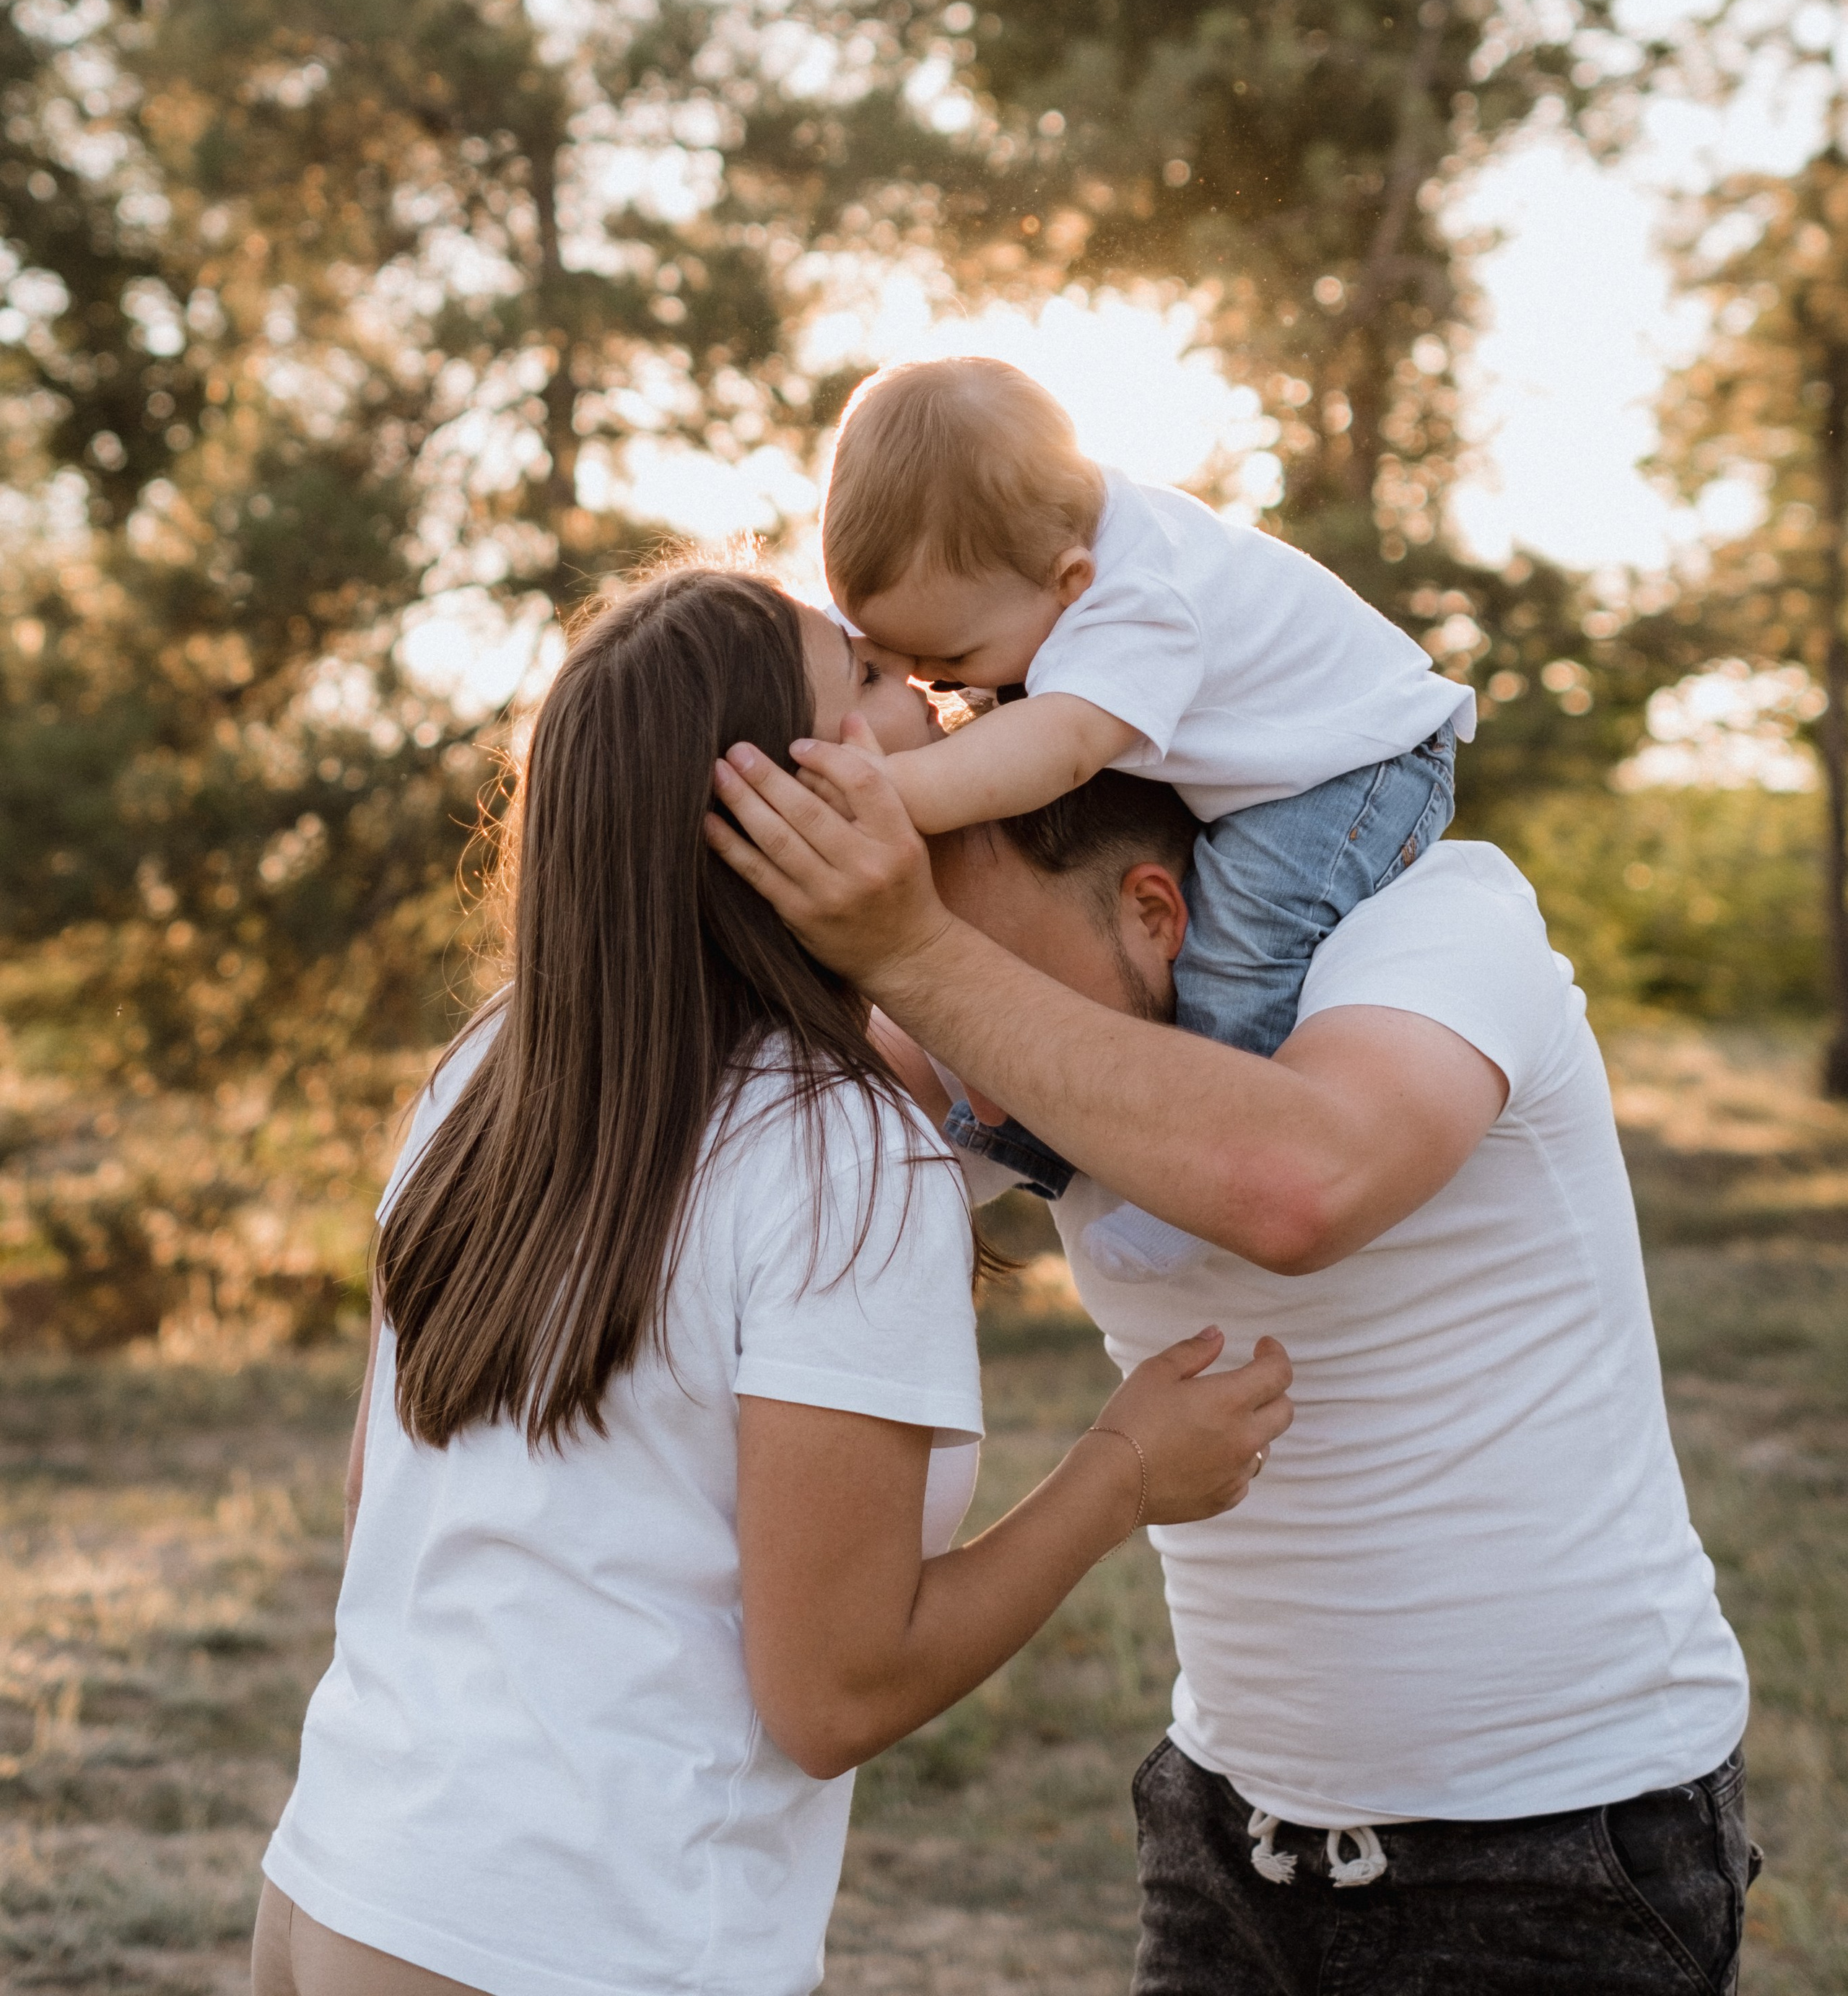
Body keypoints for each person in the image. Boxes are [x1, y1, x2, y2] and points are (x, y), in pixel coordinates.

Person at [253, 566, 1291, 1996]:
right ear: (763, 806)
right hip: (587, 1945)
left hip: (344, 1885)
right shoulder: (833, 1152)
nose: (919, 694)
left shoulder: (493, 1071)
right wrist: (1120, 1472)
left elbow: (382, 1494)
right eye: (864, 679)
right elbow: (832, 1694)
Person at [707, 738, 1757, 1996]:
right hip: (1229, 1837)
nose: (970, 1060)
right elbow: (743, 1139)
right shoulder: (1012, 1027)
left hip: (1559, 1849)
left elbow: (1303, 1189)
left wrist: (921, 958)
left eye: (989, 985)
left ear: (1157, 913)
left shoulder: (1437, 924)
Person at [819, 357, 1470, 1278]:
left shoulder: (1137, 601)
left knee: (1241, 948)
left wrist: (890, 801)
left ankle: (1191, 1187)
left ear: (1069, 579)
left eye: (950, 655)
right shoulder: (1034, 567)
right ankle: (1048, 1153)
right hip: (1287, 763)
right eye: (894, 661)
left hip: (1356, 768)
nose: (935, 683)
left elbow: (1059, 746)